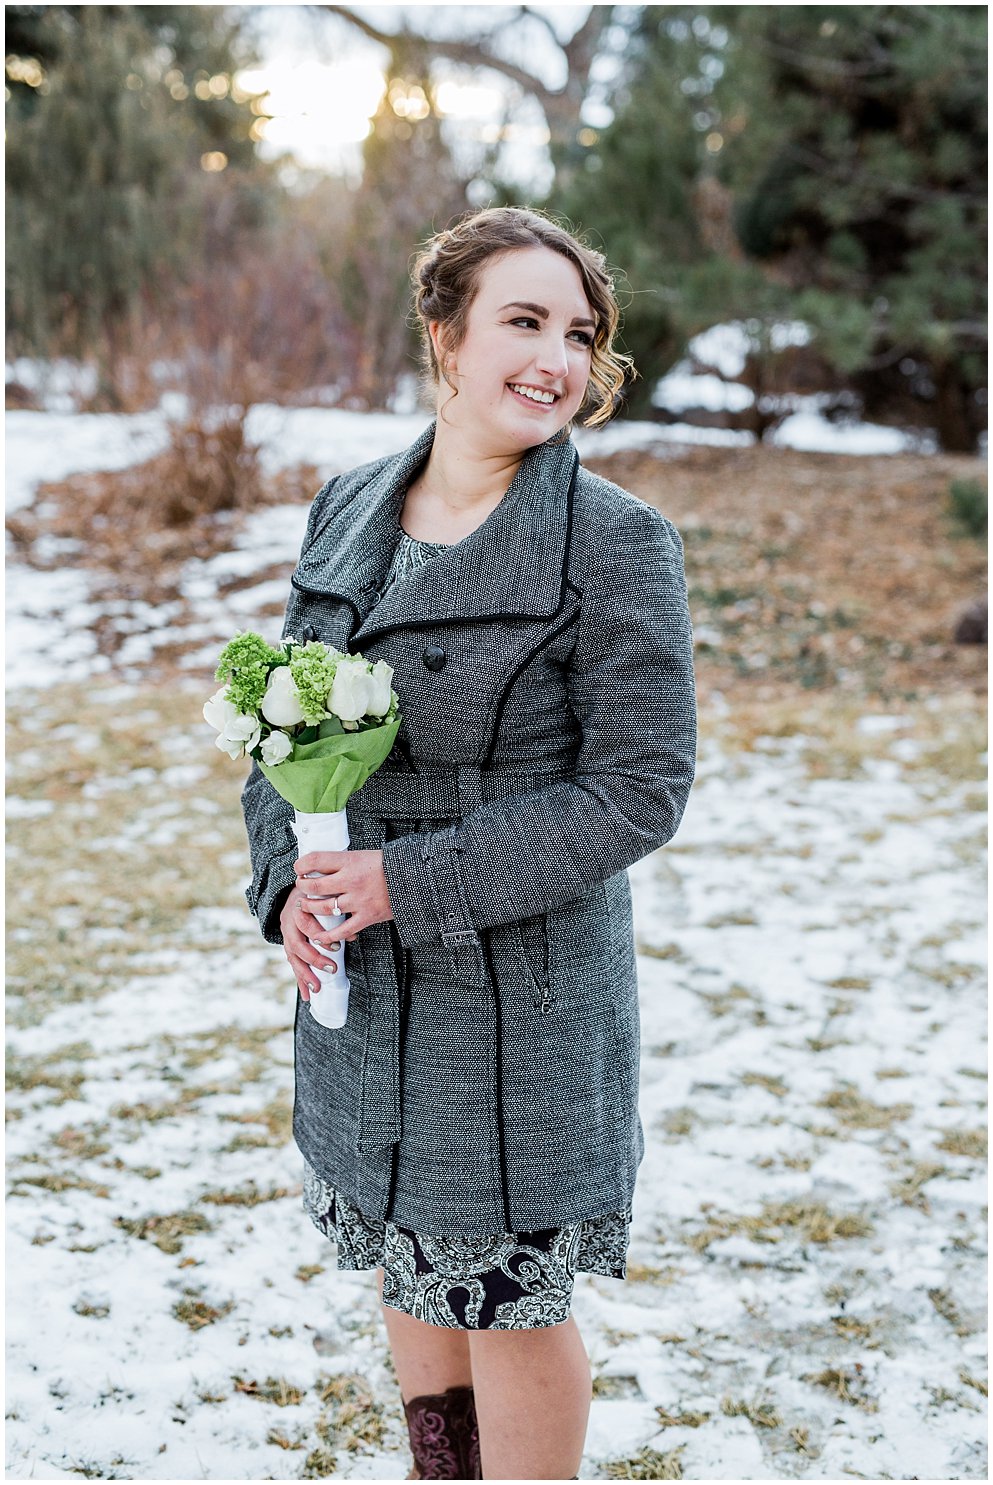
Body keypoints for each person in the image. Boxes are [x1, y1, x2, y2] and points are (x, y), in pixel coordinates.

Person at [240, 205, 697, 1481]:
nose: (555, 357)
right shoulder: (347, 511)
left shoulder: (612, 544)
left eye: (577, 333)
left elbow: (638, 790)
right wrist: (287, 885)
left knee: (504, 1298)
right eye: (523, 320)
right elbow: (279, 725)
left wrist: (405, 878)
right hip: (363, 988)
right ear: (445, 335)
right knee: (406, 1261)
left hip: (516, 999)